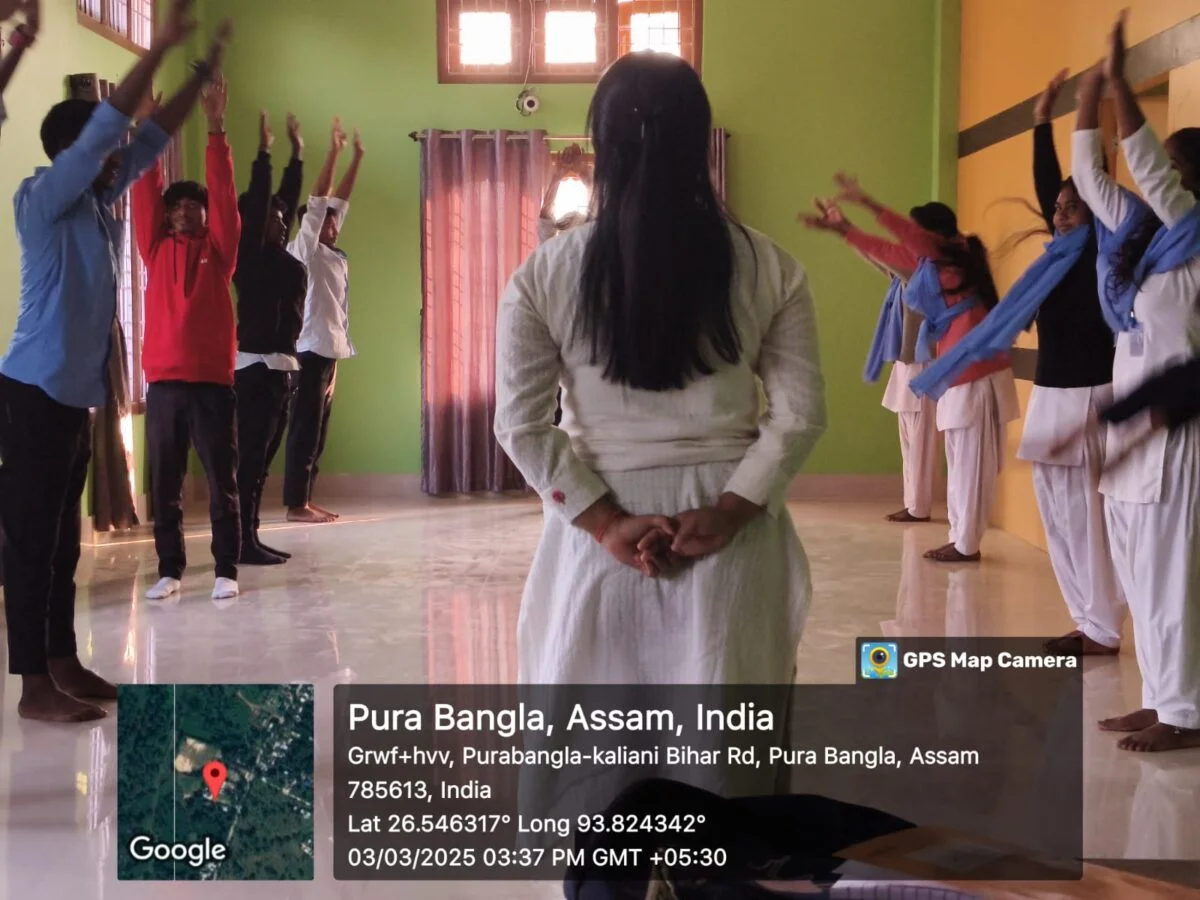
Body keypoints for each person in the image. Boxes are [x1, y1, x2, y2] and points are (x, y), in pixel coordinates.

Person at [495, 52, 826, 689]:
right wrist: (732, 509)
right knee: (726, 736)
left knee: (595, 738)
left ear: (601, 145)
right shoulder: (772, 267)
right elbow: (802, 415)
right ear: (700, 141)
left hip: (597, 538)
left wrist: (605, 524)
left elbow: (520, 426)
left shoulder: (542, 275)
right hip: (731, 536)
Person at [0, 0, 228, 722]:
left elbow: (152, 138)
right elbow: (111, 128)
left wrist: (199, 76)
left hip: (72, 398)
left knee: (62, 544)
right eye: (102, 152)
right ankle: (32, 684)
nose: (115, 160)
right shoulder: (43, 199)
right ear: (73, 155)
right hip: (32, 393)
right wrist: (156, 47)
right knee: (30, 543)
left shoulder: (99, 203)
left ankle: (63, 660)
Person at [909, 71, 1125, 653]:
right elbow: (1048, 185)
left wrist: (1076, 117)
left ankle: (1103, 624)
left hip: (1087, 392)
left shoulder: (1100, 252)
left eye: (1072, 206)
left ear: (1096, 209)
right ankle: (1087, 619)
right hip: (1054, 393)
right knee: (1059, 514)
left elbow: (1069, 180)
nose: (1060, 212)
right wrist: (1039, 120)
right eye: (1057, 207)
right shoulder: (1056, 260)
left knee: (1084, 516)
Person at [1070, 11, 1200, 752]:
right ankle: (1158, 698)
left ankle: (1186, 712)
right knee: (1140, 571)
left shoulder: (1193, 235)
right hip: (1136, 428)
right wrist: (1087, 98)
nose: (1162, 176)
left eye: (1178, 167)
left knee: (1172, 575)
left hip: (1180, 430)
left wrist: (1121, 84)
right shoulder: (1145, 240)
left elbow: (1144, 165)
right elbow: (1093, 179)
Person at [831, 175, 1018, 562]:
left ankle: (967, 544)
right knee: (960, 460)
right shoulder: (932, 265)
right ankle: (960, 538)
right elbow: (884, 250)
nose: (911, 242)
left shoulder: (956, 259)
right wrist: (844, 229)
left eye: (918, 234)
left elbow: (906, 240)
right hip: (956, 372)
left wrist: (868, 203)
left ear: (935, 236)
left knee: (970, 466)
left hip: (976, 372)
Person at [134, 71, 241, 603]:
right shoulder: (154, 250)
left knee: (221, 481)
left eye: (190, 206)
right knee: (165, 486)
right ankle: (169, 569)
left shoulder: (219, 253)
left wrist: (216, 128)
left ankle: (226, 570)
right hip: (164, 386)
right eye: (173, 206)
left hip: (212, 385)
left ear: (204, 214)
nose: (181, 211)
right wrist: (148, 131)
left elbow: (223, 195)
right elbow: (143, 190)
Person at [802, 198, 948, 524]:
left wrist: (845, 228)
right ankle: (913, 504)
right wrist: (844, 230)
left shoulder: (929, 270)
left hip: (926, 363)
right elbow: (878, 260)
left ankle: (919, 506)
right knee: (909, 438)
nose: (908, 236)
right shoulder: (912, 270)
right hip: (907, 362)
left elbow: (884, 258)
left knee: (921, 441)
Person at [232, 110, 307, 564]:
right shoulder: (250, 259)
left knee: (261, 467)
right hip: (254, 373)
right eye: (273, 218)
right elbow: (263, 200)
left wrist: (297, 155)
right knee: (249, 465)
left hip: (281, 370)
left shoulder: (281, 257)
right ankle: (241, 541)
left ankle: (251, 536)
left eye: (283, 218)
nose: (281, 222)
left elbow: (284, 198)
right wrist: (264, 153)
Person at [284, 119, 364, 524]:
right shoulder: (305, 250)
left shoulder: (330, 251)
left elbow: (340, 202)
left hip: (329, 351)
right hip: (309, 351)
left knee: (318, 431)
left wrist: (358, 158)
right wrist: (333, 153)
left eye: (334, 221)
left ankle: (306, 498)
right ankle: (295, 504)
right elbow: (319, 202)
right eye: (326, 221)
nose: (333, 224)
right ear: (311, 226)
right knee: (304, 429)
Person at [537, 143, 589, 245]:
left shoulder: (552, 247)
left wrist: (558, 176)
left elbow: (545, 215)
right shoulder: (553, 248)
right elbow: (545, 216)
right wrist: (583, 173)